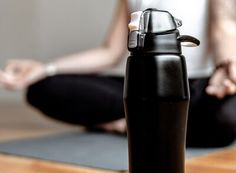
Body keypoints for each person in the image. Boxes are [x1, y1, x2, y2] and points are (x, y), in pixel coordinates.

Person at [0, 0, 236, 147]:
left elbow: (222, 28)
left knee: (228, 117)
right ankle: (146, 125)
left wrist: (226, 69)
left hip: (193, 89)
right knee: (43, 87)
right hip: (141, 86)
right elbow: (109, 51)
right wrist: (45, 68)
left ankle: (126, 125)